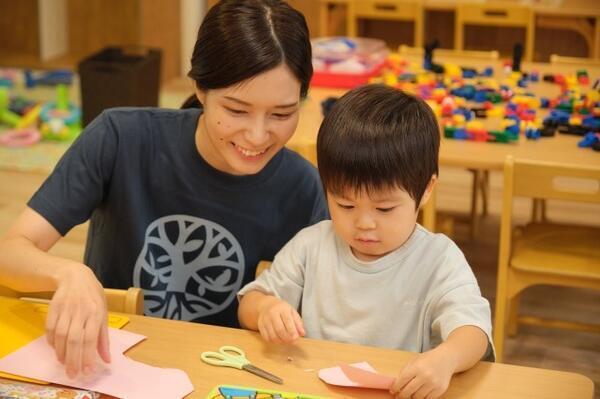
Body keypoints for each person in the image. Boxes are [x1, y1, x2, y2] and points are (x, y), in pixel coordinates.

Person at [0, 0, 327, 379]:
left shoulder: (302, 186)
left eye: (282, 114)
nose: (257, 135)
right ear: (200, 88)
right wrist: (67, 274)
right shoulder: (120, 138)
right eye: (236, 111)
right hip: (106, 366)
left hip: (221, 371)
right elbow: (10, 253)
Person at [238, 84, 494, 399]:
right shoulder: (312, 244)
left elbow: (474, 331)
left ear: (426, 190)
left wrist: (447, 357)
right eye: (345, 205)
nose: (364, 223)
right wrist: (266, 308)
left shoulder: (438, 259)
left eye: (384, 208)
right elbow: (250, 301)